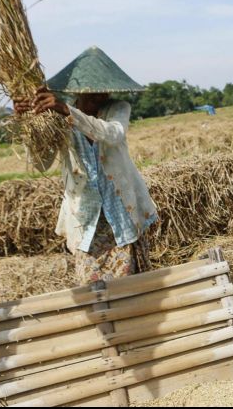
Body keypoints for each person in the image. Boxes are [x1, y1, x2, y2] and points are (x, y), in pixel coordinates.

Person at [14, 46, 158, 286]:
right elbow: (41, 163)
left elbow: (112, 134)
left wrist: (67, 111)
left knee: (128, 289)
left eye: (103, 90)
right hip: (85, 220)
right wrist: (28, 124)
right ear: (77, 90)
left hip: (120, 216)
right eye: (91, 90)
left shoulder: (117, 109)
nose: (98, 95)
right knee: (92, 291)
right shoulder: (55, 117)